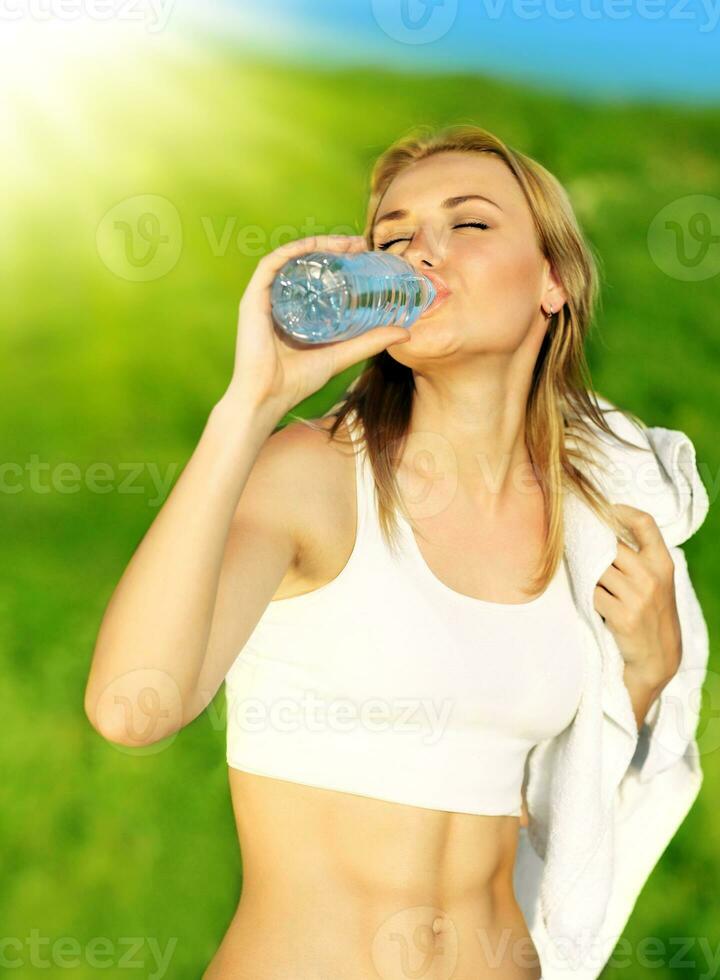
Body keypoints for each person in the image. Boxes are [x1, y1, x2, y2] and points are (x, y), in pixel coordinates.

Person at [83, 125, 704, 980]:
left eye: (470, 224)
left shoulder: (588, 519)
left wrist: (645, 673)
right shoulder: (314, 479)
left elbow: (571, 804)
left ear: (552, 282)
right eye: (394, 238)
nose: (422, 252)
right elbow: (131, 710)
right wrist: (247, 406)